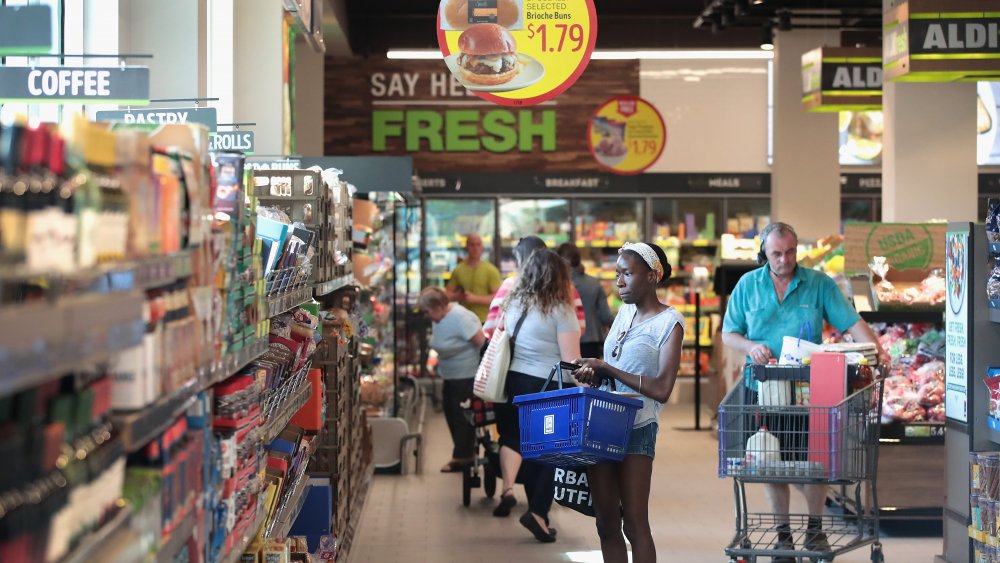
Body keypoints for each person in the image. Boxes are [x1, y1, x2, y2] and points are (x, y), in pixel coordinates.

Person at [720, 222, 885, 562]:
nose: (785, 259)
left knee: (815, 464)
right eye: (777, 253)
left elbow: (852, 323)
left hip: (812, 391)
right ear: (763, 254)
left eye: (791, 251)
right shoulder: (747, 286)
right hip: (762, 389)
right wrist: (750, 346)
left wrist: (877, 351)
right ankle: (783, 537)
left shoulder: (819, 285)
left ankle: (815, 528)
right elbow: (728, 334)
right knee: (770, 463)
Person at [573, 242, 685, 563]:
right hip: (602, 425)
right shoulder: (624, 313)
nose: (618, 281)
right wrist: (594, 373)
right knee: (605, 522)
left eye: (627, 273)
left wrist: (607, 367)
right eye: (616, 273)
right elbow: (616, 368)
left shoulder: (670, 323)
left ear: (652, 276)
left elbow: (663, 388)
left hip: (638, 428)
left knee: (634, 525)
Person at [492, 249, 581, 543]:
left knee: (523, 445)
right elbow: (570, 362)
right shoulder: (560, 309)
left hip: (514, 383)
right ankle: (539, 513)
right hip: (546, 387)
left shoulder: (514, 303)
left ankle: (533, 508)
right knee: (549, 451)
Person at [418, 287, 486, 473]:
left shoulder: (461, 318)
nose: (426, 316)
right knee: (451, 413)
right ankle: (462, 455)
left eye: (427, 311)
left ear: (438, 306)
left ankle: (462, 457)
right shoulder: (440, 318)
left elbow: (482, 344)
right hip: (450, 375)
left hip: (466, 375)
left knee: (461, 417)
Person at [483, 236, 585, 339]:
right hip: (559, 351)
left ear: (520, 260)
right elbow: (580, 326)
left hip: (518, 352)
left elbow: (491, 328)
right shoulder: (567, 286)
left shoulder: (510, 285)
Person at [557, 242, 613, 358]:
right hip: (591, 341)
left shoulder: (557, 285)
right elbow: (606, 316)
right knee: (591, 375)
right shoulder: (594, 284)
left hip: (564, 341)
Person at [445, 234, 502, 323]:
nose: (475, 248)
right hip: (464, 321)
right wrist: (459, 296)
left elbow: (498, 298)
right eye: (472, 245)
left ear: (482, 247)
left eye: (478, 244)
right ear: (466, 247)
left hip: (485, 321)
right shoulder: (458, 270)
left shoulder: (491, 270)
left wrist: (475, 298)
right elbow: (447, 295)